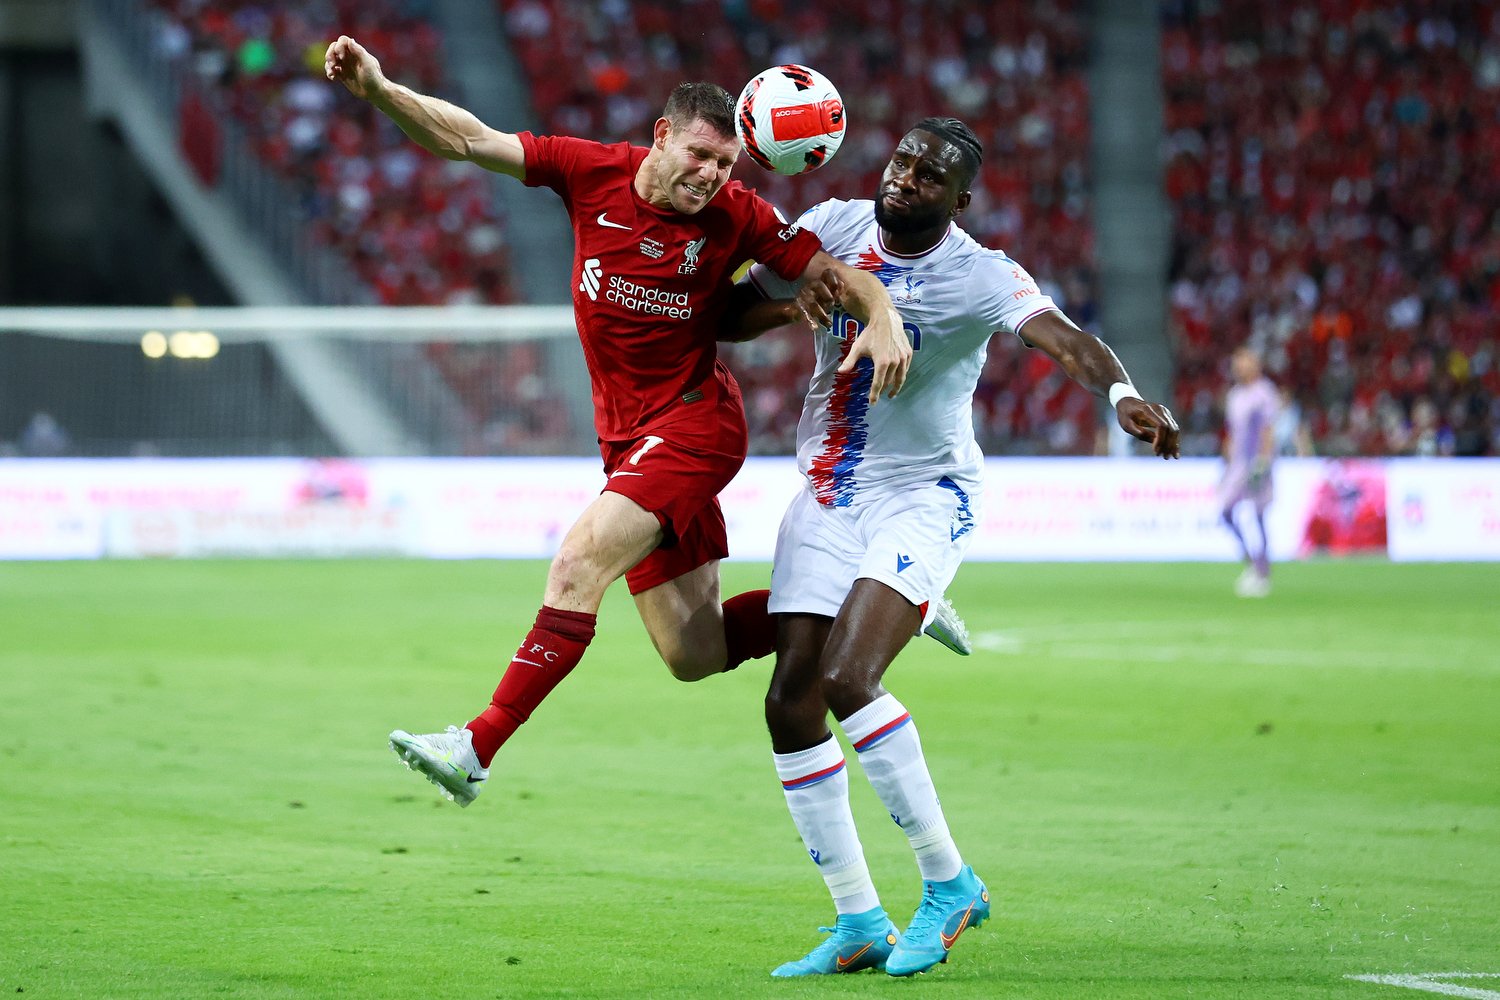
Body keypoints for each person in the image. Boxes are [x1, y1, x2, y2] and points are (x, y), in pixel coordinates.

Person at [323, 36, 922, 807]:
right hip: (628, 438)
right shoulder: (588, 170)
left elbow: (835, 275)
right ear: (662, 134)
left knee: (577, 564)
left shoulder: (740, 216)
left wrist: (883, 316)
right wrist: (377, 88)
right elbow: (467, 137)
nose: (711, 175)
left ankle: (476, 746)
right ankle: (876, 600)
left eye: (726, 165)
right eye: (701, 155)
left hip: (695, 424)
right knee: (693, 650)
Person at [732, 118, 1180, 977]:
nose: (905, 180)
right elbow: (732, 313)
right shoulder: (830, 226)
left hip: (924, 495)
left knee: (847, 679)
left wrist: (1120, 392)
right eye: (902, 162)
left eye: (929, 177)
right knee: (790, 700)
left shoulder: (978, 274)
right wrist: (797, 300)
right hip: (828, 493)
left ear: (957, 199)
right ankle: (857, 919)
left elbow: (1063, 337)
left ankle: (950, 883)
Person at [1219, 346, 1280, 597]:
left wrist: (1263, 461)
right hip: (1237, 465)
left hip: (1256, 463)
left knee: (1259, 515)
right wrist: (1226, 459)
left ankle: (1263, 571)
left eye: (1243, 362)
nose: (1238, 367)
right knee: (1225, 511)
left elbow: (1267, 429)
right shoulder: (1234, 395)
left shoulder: (1264, 393)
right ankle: (1252, 561)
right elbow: (1232, 432)